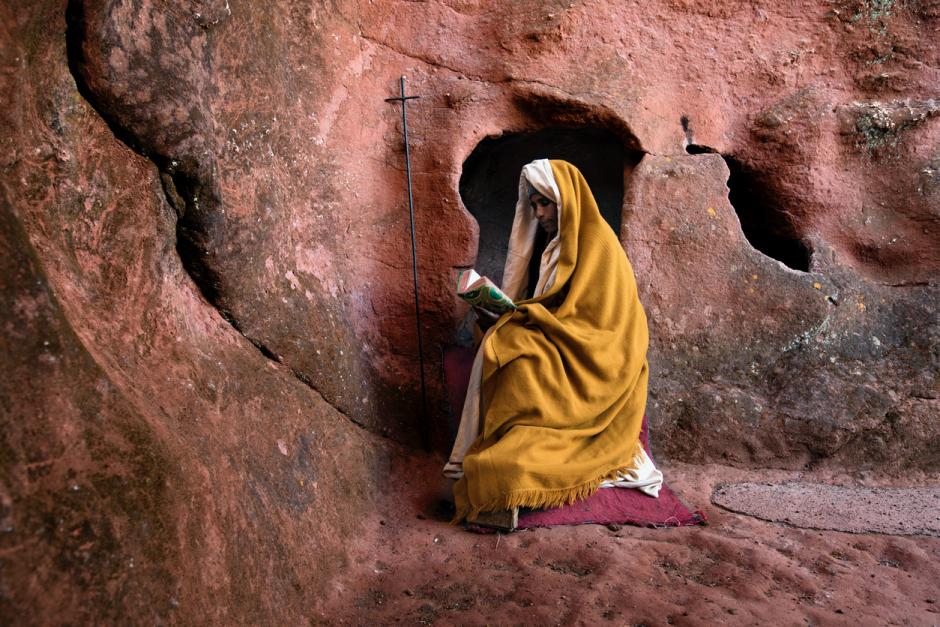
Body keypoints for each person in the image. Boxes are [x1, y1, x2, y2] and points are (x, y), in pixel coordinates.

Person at [444, 158, 662, 526]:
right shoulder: (555, 248)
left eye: (545, 202)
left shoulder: (599, 245)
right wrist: (505, 312)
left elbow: (604, 326)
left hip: (601, 359)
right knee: (510, 343)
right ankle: (499, 445)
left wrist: (526, 315)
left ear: (567, 201)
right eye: (533, 205)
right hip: (568, 343)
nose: (539, 213)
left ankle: (519, 450)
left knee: (519, 352)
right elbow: (557, 309)